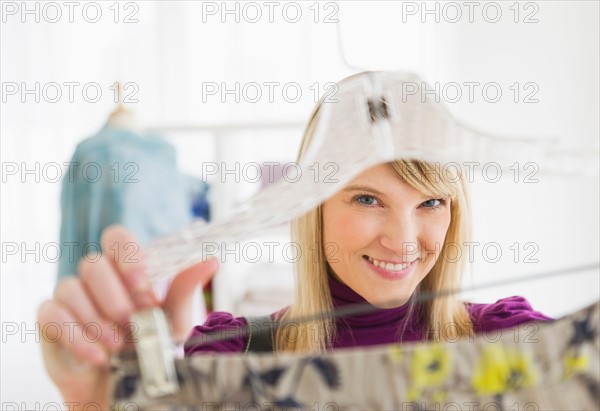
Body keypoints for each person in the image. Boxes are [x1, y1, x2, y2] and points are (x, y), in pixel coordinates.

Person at [38, 72, 553, 408]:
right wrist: (108, 401)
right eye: (367, 199)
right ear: (314, 209)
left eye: (430, 203)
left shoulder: (521, 345)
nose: (403, 239)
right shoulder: (231, 358)